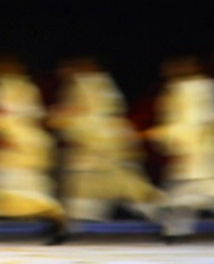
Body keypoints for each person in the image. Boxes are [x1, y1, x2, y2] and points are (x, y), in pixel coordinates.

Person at [49, 59, 162, 227]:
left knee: (124, 188)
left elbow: (85, 116)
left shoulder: (88, 85)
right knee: (100, 192)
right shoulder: (96, 85)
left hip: (101, 150)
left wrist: (60, 119)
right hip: (101, 149)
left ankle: (165, 213)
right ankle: (72, 228)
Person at [0, 55, 68, 243]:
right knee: (5, 187)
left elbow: (13, 116)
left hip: (19, 144)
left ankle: (58, 220)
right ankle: (54, 220)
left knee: (20, 187)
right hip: (14, 143)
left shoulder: (15, 87)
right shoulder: (8, 85)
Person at [147, 56, 214, 243]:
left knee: (190, 192)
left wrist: (171, 139)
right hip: (195, 150)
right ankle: (174, 231)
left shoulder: (190, 89)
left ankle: (173, 231)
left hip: (194, 151)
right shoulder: (192, 86)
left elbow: (194, 123)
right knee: (183, 193)